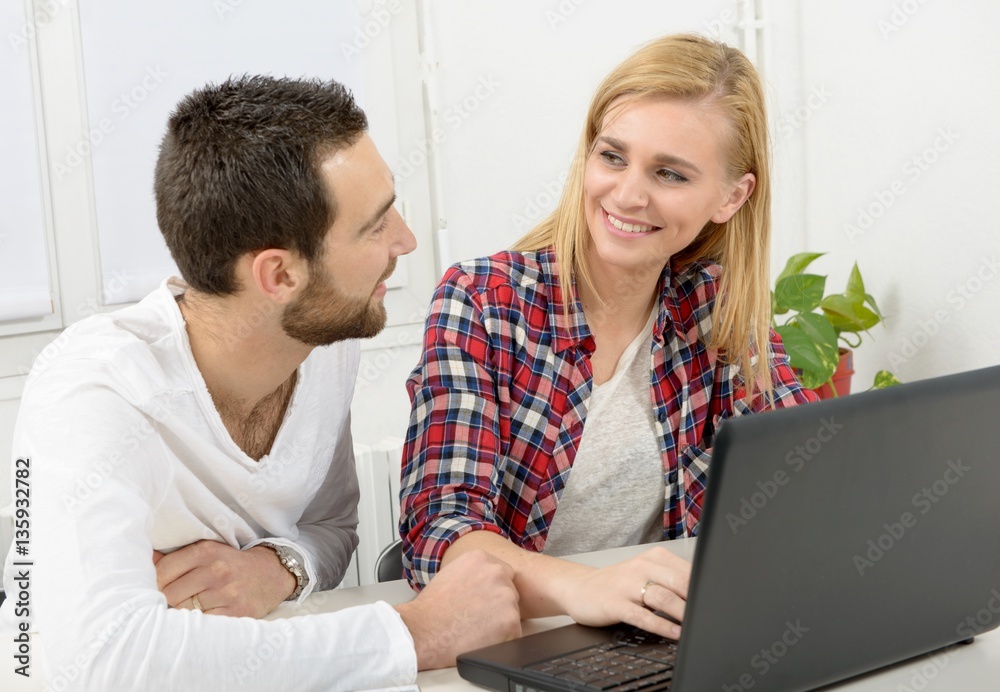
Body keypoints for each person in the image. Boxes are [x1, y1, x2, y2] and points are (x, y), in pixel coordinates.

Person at [0, 75, 519, 691]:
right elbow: (101, 661)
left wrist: (280, 568)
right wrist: (414, 633)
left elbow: (331, 528)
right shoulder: (92, 387)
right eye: (375, 226)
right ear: (279, 274)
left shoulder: (326, 343)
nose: (404, 240)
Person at [399, 34, 818, 640]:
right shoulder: (484, 301)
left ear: (732, 197)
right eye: (613, 157)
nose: (626, 195)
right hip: (522, 638)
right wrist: (587, 586)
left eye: (670, 173)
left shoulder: (716, 307)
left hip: (655, 638)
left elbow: (809, 484)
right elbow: (440, 534)